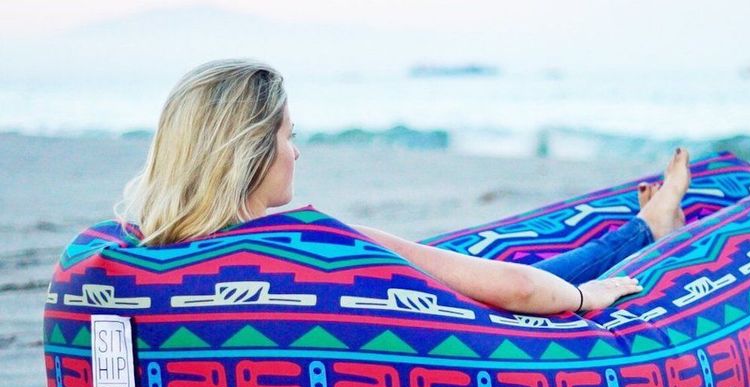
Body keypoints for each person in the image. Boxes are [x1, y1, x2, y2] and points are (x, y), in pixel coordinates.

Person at [120, 59, 691, 315]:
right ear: (250, 152)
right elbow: (518, 291)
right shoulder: (311, 241)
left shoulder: (142, 256)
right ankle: (649, 228)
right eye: (288, 135)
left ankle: (645, 225)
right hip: (467, 328)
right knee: (540, 276)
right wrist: (589, 298)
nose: (296, 152)